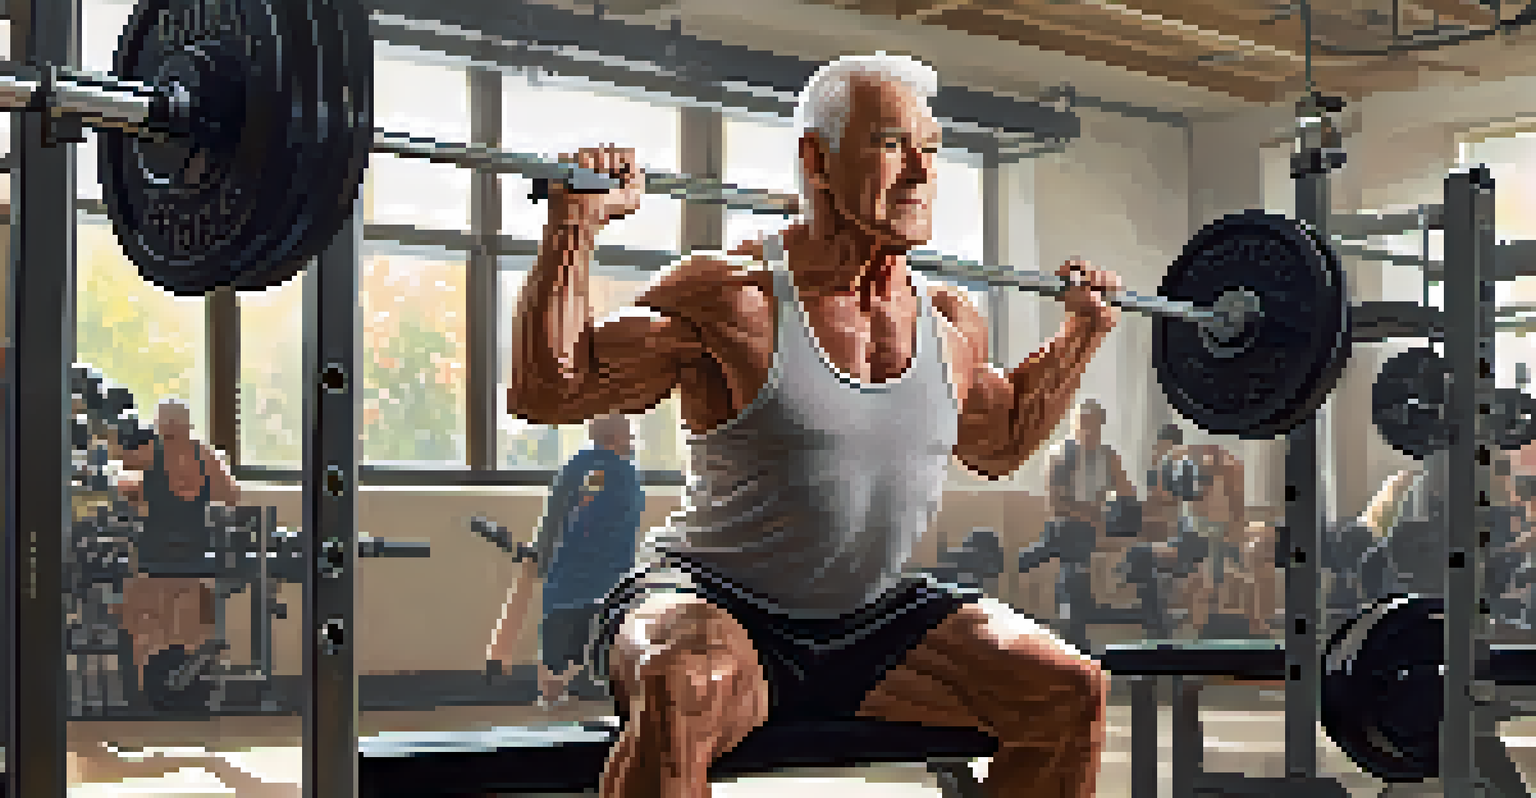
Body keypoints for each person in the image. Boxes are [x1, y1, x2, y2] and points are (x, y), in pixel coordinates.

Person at [507, 51, 1120, 797]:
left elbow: (1003, 441)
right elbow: (551, 389)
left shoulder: (951, 321)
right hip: (713, 600)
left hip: (870, 619)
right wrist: (572, 226)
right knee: (684, 688)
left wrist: (1080, 336)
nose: (922, 175)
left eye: (930, 151)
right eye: (892, 146)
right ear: (816, 160)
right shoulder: (732, 296)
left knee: (1069, 692)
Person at [485, 414, 644, 707]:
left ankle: (551, 699)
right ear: (619, 436)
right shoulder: (628, 475)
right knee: (605, 655)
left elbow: (554, 519)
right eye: (629, 435)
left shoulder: (578, 467)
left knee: (556, 658)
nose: (633, 441)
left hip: (568, 584)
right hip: (610, 585)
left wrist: (539, 558)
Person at [112, 398, 241, 695]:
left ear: (160, 424)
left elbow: (120, 472)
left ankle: (148, 685)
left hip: (158, 551)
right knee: (183, 612)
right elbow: (231, 495)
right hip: (195, 549)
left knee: (147, 610)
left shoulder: (152, 452)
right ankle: (180, 671)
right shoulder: (204, 455)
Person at [1044, 399, 1137, 620]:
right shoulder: (1059, 455)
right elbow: (1056, 505)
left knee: (1137, 532)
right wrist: (1090, 515)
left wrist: (1112, 511)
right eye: (1082, 423)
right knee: (1075, 534)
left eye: (1093, 425)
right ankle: (1072, 608)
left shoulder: (1109, 456)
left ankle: (1136, 615)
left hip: (1098, 520)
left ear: (1101, 427)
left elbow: (1127, 494)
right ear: (1073, 425)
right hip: (1067, 523)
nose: (1087, 430)